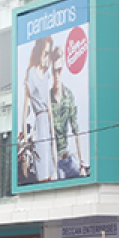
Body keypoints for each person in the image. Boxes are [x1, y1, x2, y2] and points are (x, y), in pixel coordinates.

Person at [19, 35, 56, 183]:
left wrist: (53, 136)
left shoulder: (47, 74)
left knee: (51, 172)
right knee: (42, 172)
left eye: (49, 54)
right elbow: (25, 109)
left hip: (47, 124)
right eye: (45, 53)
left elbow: (49, 105)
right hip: (39, 124)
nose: (46, 57)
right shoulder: (32, 73)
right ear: (40, 52)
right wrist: (27, 143)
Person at [49, 46, 88, 180]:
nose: (56, 76)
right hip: (54, 162)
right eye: (54, 71)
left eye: (59, 70)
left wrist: (82, 163)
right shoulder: (47, 99)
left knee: (82, 175)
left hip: (67, 159)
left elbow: (76, 130)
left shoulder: (69, 96)